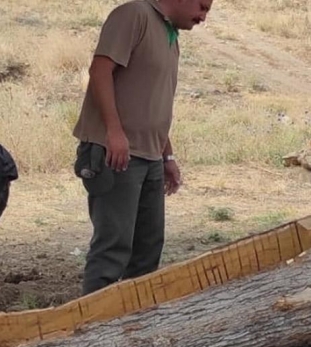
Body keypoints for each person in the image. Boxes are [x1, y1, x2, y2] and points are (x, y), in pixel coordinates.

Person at [71, 0, 213, 296]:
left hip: (150, 156)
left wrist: (167, 154)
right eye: (202, 7)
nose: (203, 17)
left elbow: (154, 104)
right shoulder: (134, 15)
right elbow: (100, 71)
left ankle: (133, 328)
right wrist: (114, 131)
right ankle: (92, 330)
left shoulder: (170, 35)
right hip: (116, 154)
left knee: (148, 251)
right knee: (113, 247)